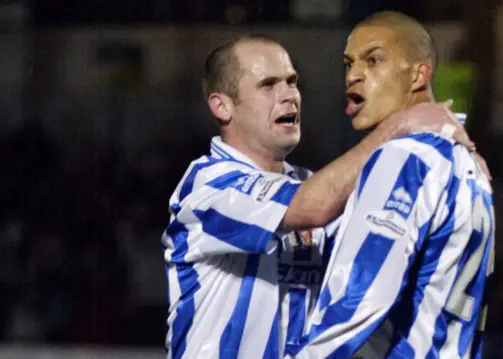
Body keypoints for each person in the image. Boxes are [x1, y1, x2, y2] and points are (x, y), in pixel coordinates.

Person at [162, 34, 475, 359]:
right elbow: (313, 207)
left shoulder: (307, 182)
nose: (289, 96)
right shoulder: (208, 186)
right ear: (222, 106)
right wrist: (399, 125)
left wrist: (457, 162)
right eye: (268, 85)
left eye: (292, 82)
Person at [287, 11, 495, 359]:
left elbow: (359, 298)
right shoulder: (468, 162)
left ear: (418, 74)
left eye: (374, 60)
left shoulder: (404, 158)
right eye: (348, 63)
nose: (353, 75)